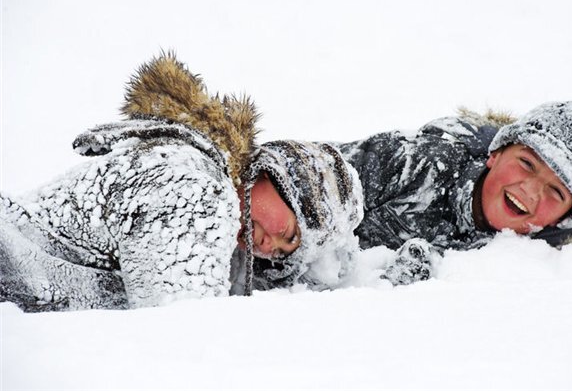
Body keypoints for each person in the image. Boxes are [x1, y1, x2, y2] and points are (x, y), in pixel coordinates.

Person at [0, 53, 363, 312]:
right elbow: (183, 330)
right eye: (289, 231)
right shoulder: (199, 191)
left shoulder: (207, 190)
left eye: (284, 251)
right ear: (274, 177)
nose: (270, 246)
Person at [336, 102, 572, 285]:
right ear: (496, 153)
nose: (530, 190)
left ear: (566, 217)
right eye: (527, 164)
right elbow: (303, 186)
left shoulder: (554, 272)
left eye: (557, 191)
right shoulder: (416, 162)